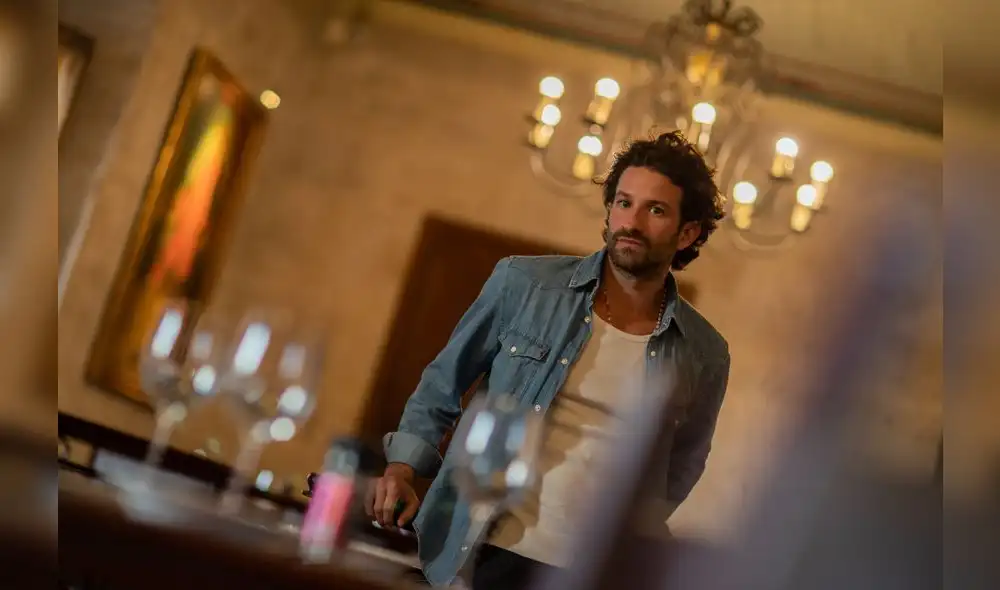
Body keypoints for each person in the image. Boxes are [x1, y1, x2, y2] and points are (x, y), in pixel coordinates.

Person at [366, 131, 731, 589]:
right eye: (623, 202)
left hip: (592, 573)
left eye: (655, 210)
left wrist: (628, 534)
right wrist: (401, 468)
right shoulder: (523, 283)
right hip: (482, 547)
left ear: (688, 232)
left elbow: (683, 463)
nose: (631, 222)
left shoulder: (705, 352)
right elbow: (444, 381)